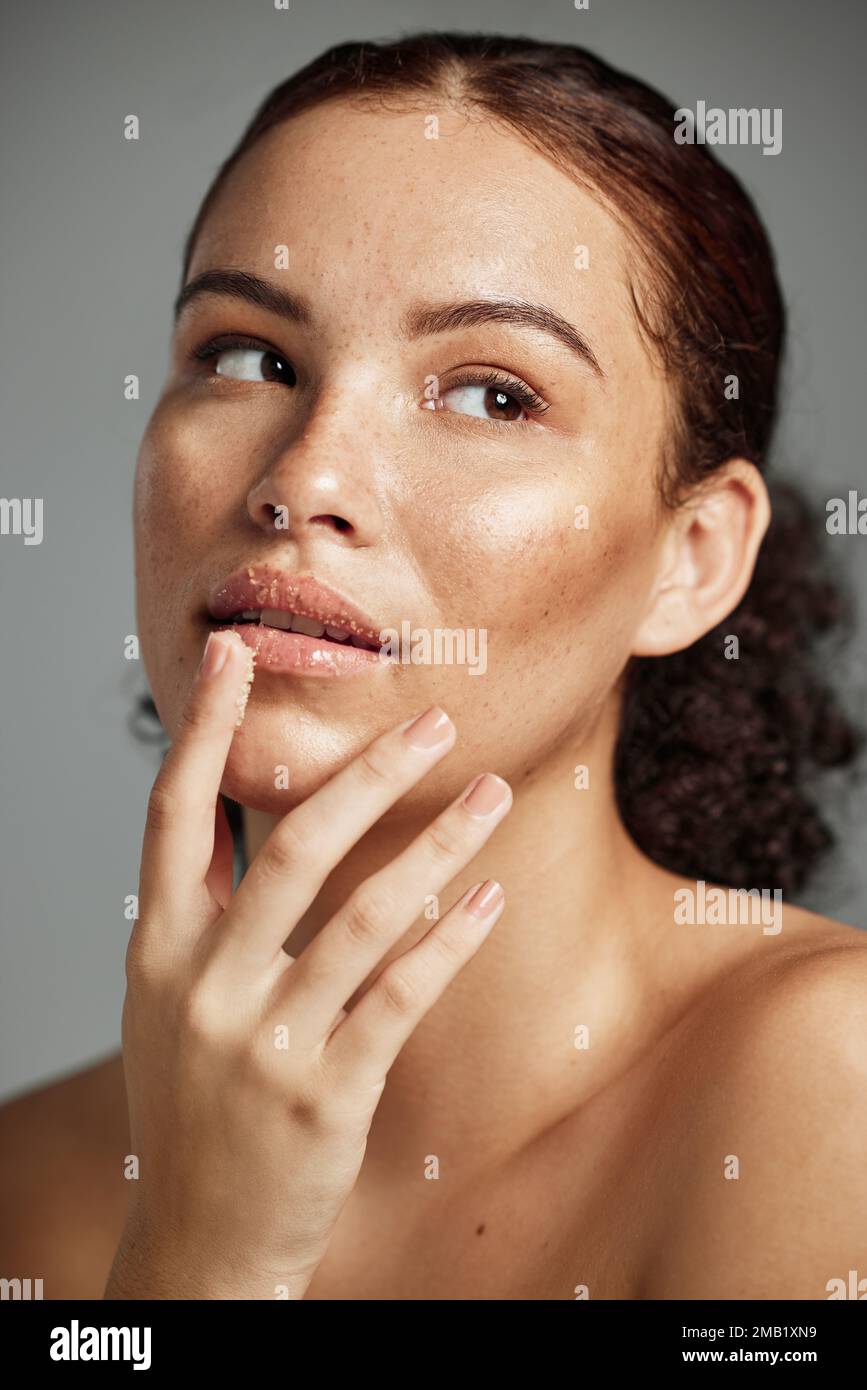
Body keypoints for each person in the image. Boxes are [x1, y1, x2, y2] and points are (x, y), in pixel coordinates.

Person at [2, 32, 865, 1301]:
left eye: (493, 396)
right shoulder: (24, 1188)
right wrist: (199, 1256)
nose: (305, 480)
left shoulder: (829, 1088)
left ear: (690, 558)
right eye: (248, 357)